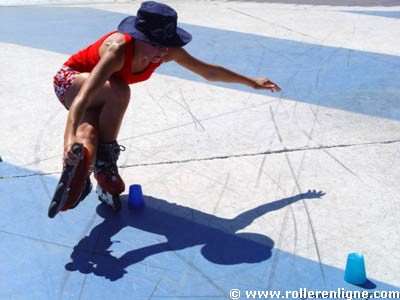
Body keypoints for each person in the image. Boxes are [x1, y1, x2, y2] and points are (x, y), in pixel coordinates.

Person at [53, 1, 281, 208]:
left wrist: (251, 82)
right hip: (71, 82)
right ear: (138, 37)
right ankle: (104, 162)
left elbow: (208, 71)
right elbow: (83, 97)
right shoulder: (117, 50)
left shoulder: (166, 52)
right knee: (119, 91)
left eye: (166, 45)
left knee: (89, 134)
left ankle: (78, 177)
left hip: (102, 94)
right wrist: (67, 140)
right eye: (155, 44)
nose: (162, 52)